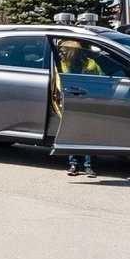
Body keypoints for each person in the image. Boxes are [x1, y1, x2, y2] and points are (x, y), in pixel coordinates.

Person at [49, 38, 100, 179]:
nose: (61, 54)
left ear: (73, 52)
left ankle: (88, 165)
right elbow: (57, 82)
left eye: (64, 51)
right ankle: (74, 164)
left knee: (87, 134)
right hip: (70, 102)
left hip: (87, 103)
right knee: (72, 133)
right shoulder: (61, 65)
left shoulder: (91, 65)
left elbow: (99, 80)